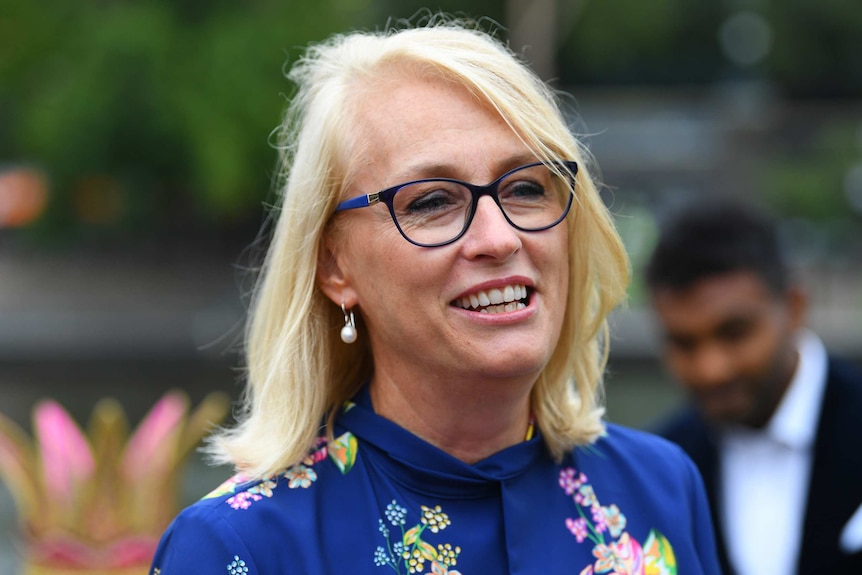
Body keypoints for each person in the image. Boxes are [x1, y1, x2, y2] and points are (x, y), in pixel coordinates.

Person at [149, 17, 721, 574]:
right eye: (431, 202)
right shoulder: (238, 548)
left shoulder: (660, 487)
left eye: (525, 187)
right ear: (334, 265)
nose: (499, 238)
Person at [645, 196, 862, 575]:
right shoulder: (661, 467)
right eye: (684, 343)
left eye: (735, 333)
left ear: (794, 306)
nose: (711, 369)